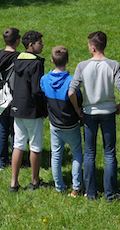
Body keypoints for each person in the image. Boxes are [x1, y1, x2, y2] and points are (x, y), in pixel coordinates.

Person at [68, 31, 120, 201]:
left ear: (93, 48)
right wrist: (119, 107)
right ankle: (110, 193)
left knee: (89, 153)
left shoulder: (82, 66)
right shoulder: (113, 65)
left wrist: (78, 109)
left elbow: (71, 92)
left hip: (89, 114)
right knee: (109, 153)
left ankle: (91, 193)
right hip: (108, 113)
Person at [42, 45, 83, 195]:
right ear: (68, 60)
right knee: (77, 153)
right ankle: (76, 187)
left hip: (55, 124)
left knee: (56, 155)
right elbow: (79, 100)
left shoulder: (44, 80)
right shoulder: (72, 81)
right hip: (71, 124)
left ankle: (59, 187)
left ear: (52, 61)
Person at [10, 30, 47, 192]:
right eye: (40, 42)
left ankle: (14, 183)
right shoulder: (36, 63)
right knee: (36, 146)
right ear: (31, 45)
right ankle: (34, 180)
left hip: (17, 108)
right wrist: (43, 109)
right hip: (32, 110)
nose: (42, 45)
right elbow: (37, 91)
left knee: (18, 145)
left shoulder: (17, 59)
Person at [0, 28, 22, 170]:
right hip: (14, 96)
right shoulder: (19, 57)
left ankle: (2, 161)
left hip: (0, 96)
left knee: (2, 129)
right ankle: (16, 158)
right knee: (15, 130)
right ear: (17, 41)